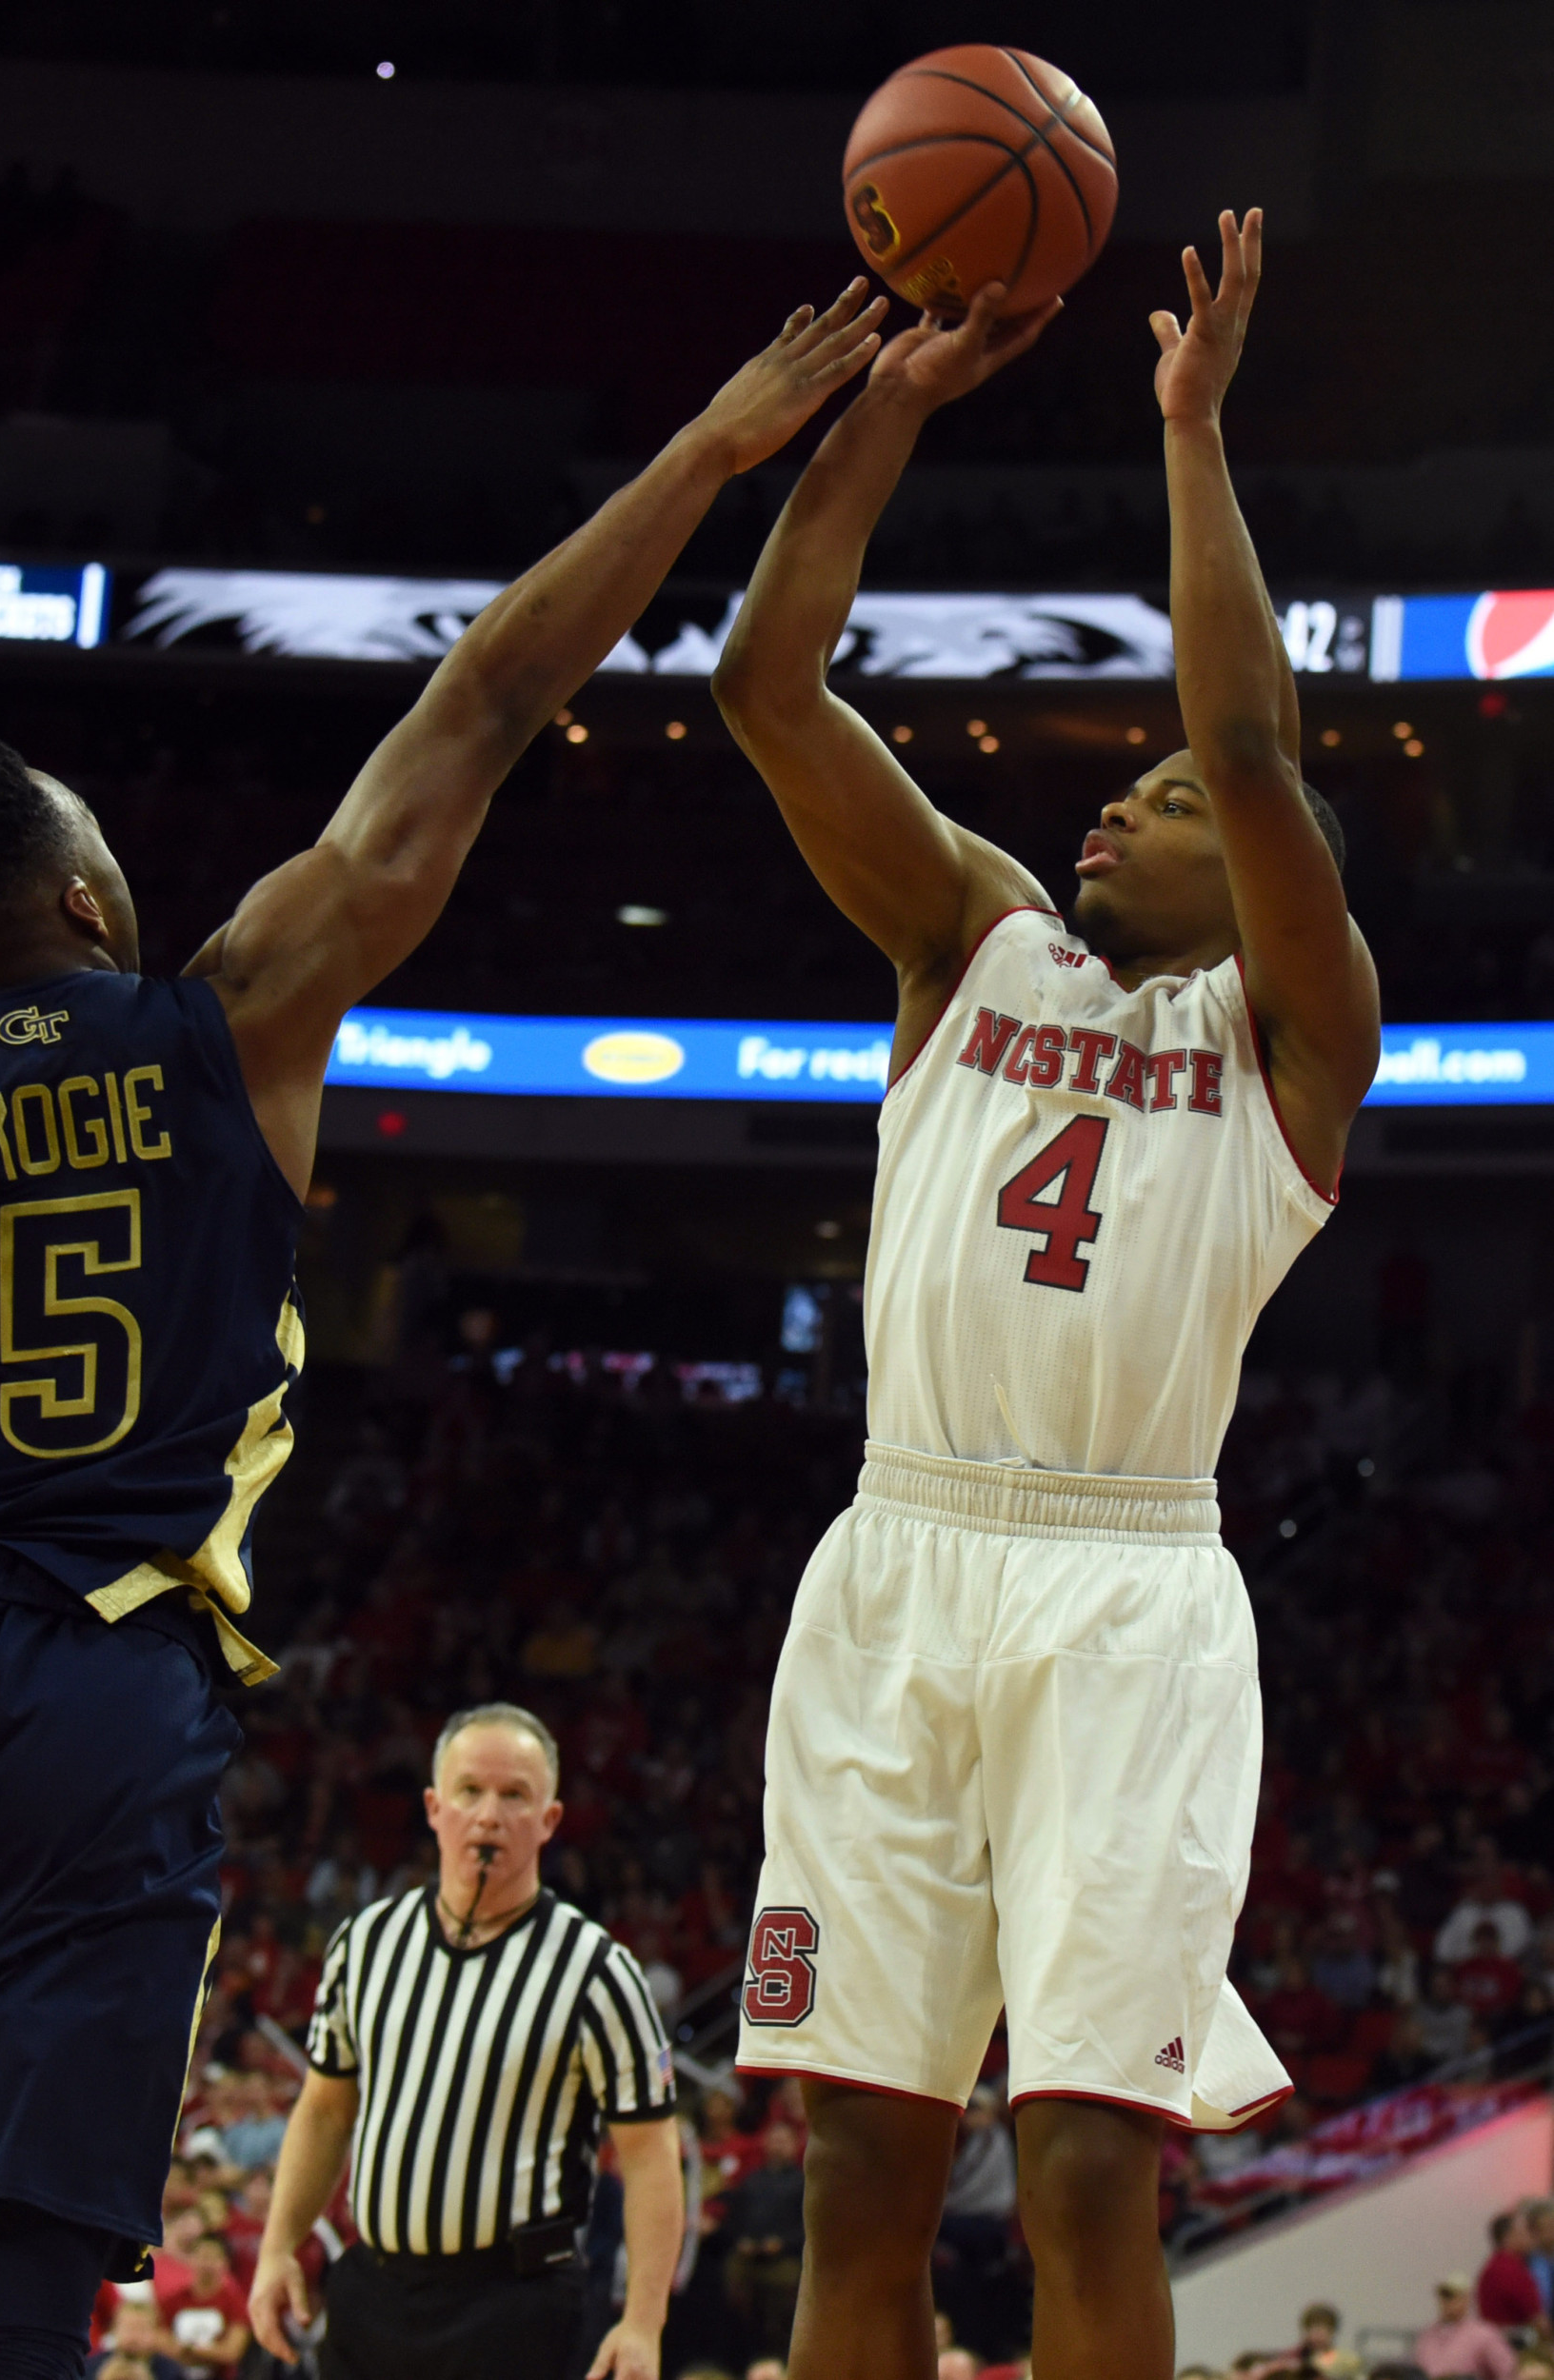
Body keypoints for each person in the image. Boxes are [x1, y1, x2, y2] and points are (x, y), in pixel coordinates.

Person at [0, 281, 886, 2380]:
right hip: (103, 1683)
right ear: (78, 901)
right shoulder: (235, 1009)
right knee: (11, 2240)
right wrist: (709, 451)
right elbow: (491, 691)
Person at [714, 211, 1380, 2380]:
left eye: (1172, 800)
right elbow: (767, 690)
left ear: (1263, 876)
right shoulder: (970, 943)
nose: (1135, 800)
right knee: (860, 2177)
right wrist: (878, 428)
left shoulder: (1294, 1043)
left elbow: (1263, 754)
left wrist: (1192, 437)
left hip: (1125, 1593)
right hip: (897, 1557)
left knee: (1091, 2167)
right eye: (1134, 780)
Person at [249, 1703, 686, 2380]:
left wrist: (643, 2323)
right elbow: (324, 2110)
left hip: (514, 2306)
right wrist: (279, 2245)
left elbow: (652, 2154)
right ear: (433, 1807)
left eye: (515, 1796)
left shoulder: (597, 1969)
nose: (489, 1815)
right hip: (374, 2293)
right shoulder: (365, 1944)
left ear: (549, 1821)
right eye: (470, 1791)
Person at [720, 2124, 807, 2360]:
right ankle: (739, 2357)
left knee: (785, 2294)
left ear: (795, 2145)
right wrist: (741, 2241)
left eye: (784, 2141)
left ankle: (779, 2359)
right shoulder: (751, 2181)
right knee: (731, 2279)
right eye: (774, 2140)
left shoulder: (803, 2183)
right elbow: (733, 2220)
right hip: (748, 2257)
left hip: (785, 2259)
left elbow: (807, 2228)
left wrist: (783, 2244)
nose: (777, 2146)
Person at [157, 2235, 250, 2375]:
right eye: (202, 2256)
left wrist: (191, 2350)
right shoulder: (172, 2301)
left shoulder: (235, 2302)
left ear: (225, 2262)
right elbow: (161, 2340)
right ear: (190, 2259)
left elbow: (233, 2351)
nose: (206, 2264)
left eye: (213, 2257)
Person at [1413, 2274, 1517, 2380]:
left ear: (1466, 2299)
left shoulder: (1483, 2334)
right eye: (1444, 2296)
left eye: (1453, 2296)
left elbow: (1507, 2370)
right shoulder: (1428, 2335)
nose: (1448, 2302)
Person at [1480, 2211, 1546, 2334]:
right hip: (1518, 2347)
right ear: (1510, 2236)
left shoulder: (1491, 2268)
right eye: (1526, 2232)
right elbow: (1538, 2322)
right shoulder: (1511, 2272)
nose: (1531, 2237)